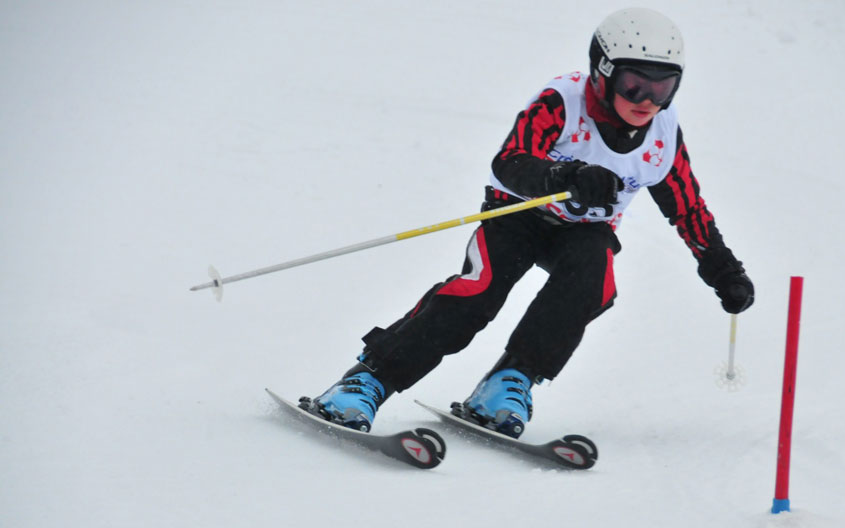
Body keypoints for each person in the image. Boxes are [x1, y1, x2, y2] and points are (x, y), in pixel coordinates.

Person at [304, 7, 755, 437]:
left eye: (664, 87)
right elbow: (509, 161)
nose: (648, 101)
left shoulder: (663, 134)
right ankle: (367, 381)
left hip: (583, 231)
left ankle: (510, 381)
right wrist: (566, 176)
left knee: (593, 282)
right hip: (516, 215)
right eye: (634, 85)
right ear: (602, 72)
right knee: (479, 292)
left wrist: (724, 270)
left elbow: (686, 207)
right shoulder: (564, 101)